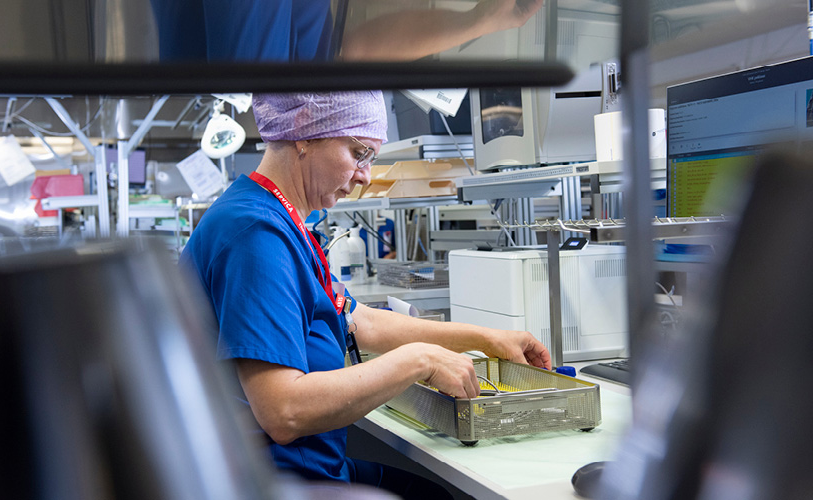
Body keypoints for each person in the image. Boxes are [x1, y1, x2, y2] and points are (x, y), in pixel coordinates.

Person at [178, 91, 551, 497]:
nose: (365, 176)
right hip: (274, 482)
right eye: (359, 153)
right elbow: (283, 411)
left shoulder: (283, 219)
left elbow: (359, 320)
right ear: (305, 133)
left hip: (308, 466)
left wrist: (488, 338)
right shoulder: (256, 236)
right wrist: (418, 360)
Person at [151, 0, 544, 62]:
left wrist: (481, 20)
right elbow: (350, 52)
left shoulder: (258, 62)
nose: (362, 177)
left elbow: (348, 51)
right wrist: (480, 21)